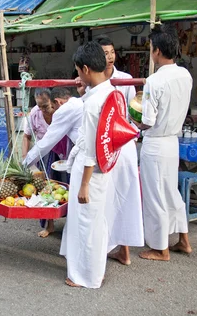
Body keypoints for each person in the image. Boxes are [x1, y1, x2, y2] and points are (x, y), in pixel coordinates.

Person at [77, 35, 144, 266]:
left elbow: (133, 114)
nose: (109, 57)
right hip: (105, 153)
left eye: (111, 52)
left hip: (115, 150)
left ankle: (111, 255)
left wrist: (127, 136)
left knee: (113, 204)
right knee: (107, 205)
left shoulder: (123, 82)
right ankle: (111, 251)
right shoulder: (100, 90)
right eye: (104, 53)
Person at [133, 24, 193, 261]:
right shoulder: (185, 75)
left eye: (150, 48)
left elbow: (147, 120)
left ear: (156, 51)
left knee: (155, 195)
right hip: (172, 143)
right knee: (171, 192)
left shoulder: (154, 81)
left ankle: (160, 248)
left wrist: (133, 124)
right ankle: (183, 241)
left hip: (156, 144)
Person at [60, 41, 115, 289]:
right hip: (104, 168)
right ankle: (94, 272)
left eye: (78, 71)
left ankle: (85, 276)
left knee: (85, 223)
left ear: (85, 68)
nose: (78, 76)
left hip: (90, 170)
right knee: (97, 222)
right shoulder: (109, 91)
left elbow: (91, 149)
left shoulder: (93, 103)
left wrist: (84, 184)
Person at [22, 87, 83, 237]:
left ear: (55, 102)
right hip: (48, 154)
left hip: (68, 153)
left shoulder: (64, 110)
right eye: (39, 106)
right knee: (47, 188)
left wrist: (27, 161)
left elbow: (49, 140)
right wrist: (26, 159)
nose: (43, 110)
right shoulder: (35, 114)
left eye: (46, 106)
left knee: (71, 189)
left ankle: (72, 225)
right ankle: (49, 225)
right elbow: (30, 137)